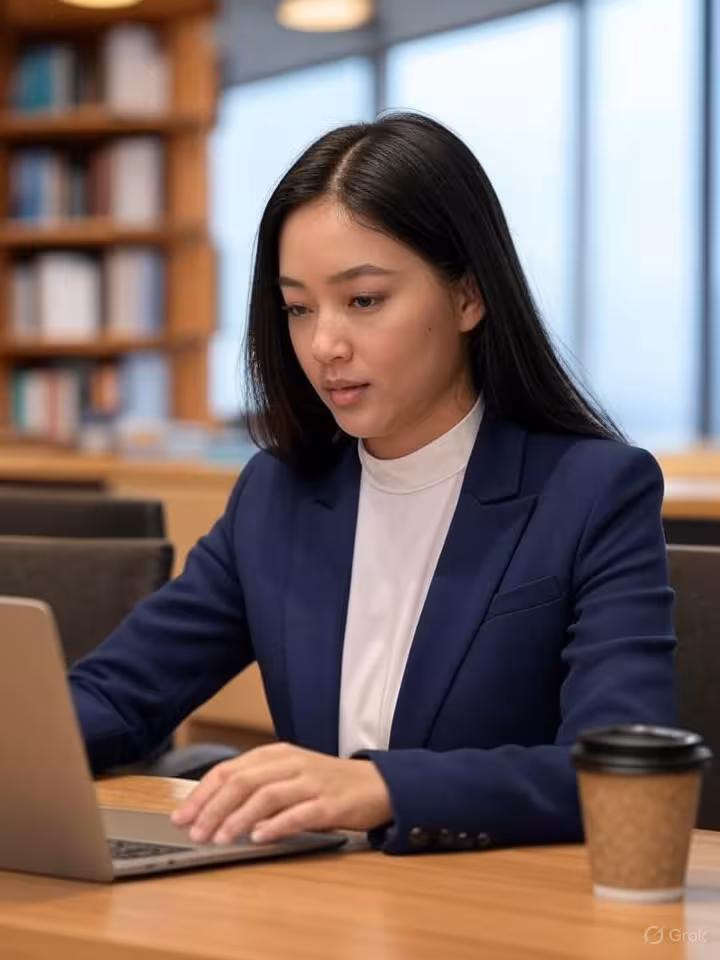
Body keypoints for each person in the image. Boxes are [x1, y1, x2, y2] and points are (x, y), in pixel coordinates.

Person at [69, 112, 675, 855]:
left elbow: (618, 772)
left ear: (467, 298)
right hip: (328, 906)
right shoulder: (277, 495)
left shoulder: (593, 492)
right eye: (297, 308)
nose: (323, 344)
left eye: (363, 300)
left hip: (495, 911)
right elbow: (115, 694)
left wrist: (381, 787)